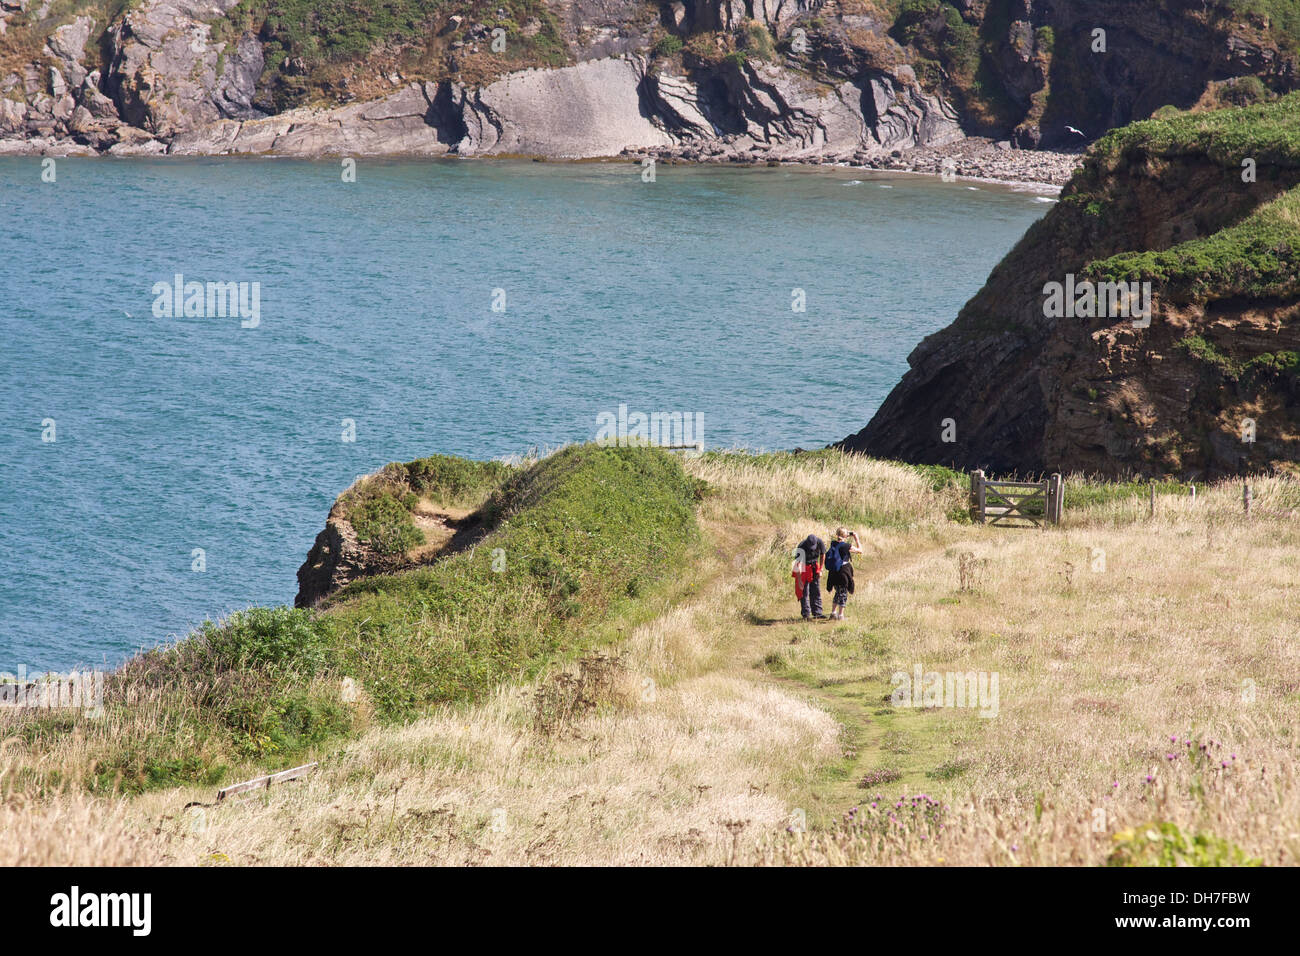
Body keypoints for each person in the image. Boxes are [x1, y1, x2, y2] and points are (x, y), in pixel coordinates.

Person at [824, 527, 862, 620]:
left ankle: (833, 613)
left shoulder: (833, 544)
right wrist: (856, 538)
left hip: (833, 573)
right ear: (845, 535)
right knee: (843, 594)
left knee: (838, 592)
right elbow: (860, 550)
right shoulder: (846, 546)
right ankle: (841, 615)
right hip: (843, 573)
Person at [795, 532, 827, 620]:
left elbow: (823, 555)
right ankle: (806, 614)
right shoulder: (801, 546)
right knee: (804, 592)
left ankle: (817, 613)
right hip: (804, 567)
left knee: (816, 590)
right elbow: (797, 564)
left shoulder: (820, 542)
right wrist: (799, 581)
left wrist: (820, 569)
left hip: (814, 567)